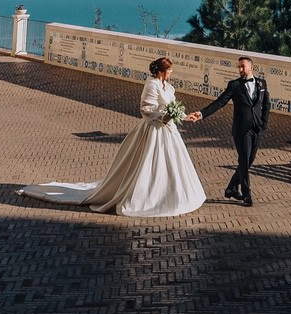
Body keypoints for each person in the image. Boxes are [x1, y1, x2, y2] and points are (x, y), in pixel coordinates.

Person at [19, 57, 206, 217]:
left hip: (168, 130)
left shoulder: (167, 86)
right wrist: (163, 116)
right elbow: (146, 110)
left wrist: (184, 116)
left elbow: (172, 107)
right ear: (162, 71)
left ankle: (169, 193)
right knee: (149, 163)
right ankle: (148, 196)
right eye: (169, 69)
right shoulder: (151, 84)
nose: (171, 72)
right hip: (154, 130)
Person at [188, 56, 271, 206]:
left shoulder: (261, 83)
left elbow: (266, 104)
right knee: (244, 160)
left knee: (250, 160)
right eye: (239, 67)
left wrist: (264, 123)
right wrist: (201, 114)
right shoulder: (234, 85)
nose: (240, 69)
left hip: (256, 128)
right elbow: (220, 102)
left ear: (251, 67)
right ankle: (246, 194)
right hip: (241, 130)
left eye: (242, 66)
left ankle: (231, 187)